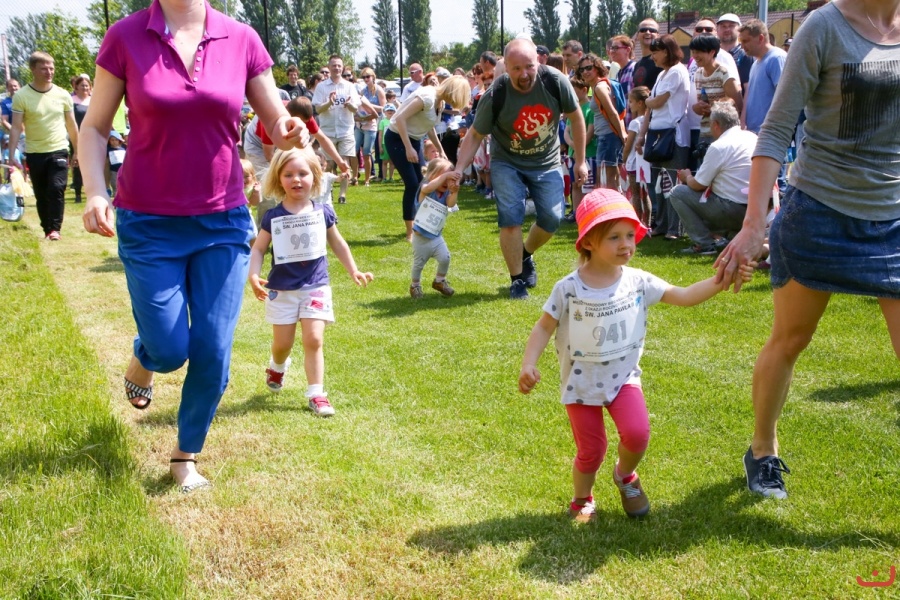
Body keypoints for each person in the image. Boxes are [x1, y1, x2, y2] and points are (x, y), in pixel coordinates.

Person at [80, 0, 311, 493]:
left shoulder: (241, 38)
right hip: (148, 219)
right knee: (168, 349)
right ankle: (146, 356)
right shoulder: (125, 37)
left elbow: (275, 119)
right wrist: (96, 190)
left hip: (222, 220)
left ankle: (185, 454)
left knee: (213, 347)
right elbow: (96, 126)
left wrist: (286, 128)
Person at [716, 0, 900, 500]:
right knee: (791, 339)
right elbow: (777, 128)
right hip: (820, 211)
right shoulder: (825, 26)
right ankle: (762, 449)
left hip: (892, 218)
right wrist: (753, 224)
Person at [518, 188, 754, 521]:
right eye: (614, 237)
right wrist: (529, 363)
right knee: (591, 450)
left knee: (638, 434)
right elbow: (544, 327)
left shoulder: (638, 281)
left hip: (623, 378)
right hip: (581, 384)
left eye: (630, 235)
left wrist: (722, 279)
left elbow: (683, 295)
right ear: (589, 242)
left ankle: (625, 475)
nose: (626, 244)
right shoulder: (568, 288)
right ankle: (582, 499)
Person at [454, 38, 588, 300]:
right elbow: (475, 134)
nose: (524, 74)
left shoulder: (555, 81)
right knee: (510, 218)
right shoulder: (496, 94)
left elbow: (576, 117)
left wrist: (580, 160)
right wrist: (459, 168)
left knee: (552, 218)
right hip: (507, 162)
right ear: (506, 67)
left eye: (529, 66)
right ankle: (517, 280)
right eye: (516, 69)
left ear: (538, 61)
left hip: (546, 161)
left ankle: (525, 253)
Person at [249, 147, 372, 416]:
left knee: (314, 339)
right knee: (282, 344)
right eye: (288, 174)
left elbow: (337, 242)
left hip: (315, 285)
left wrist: (354, 270)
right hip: (281, 289)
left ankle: (317, 394)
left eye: (303, 173)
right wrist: (253, 275)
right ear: (278, 179)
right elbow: (258, 249)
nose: (296, 179)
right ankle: (277, 366)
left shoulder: (322, 212)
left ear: (315, 176)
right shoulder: (273, 216)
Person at [384, 75, 470, 241]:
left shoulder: (439, 102)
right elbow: (400, 118)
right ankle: (410, 231)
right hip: (397, 139)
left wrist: (440, 150)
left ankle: (421, 224)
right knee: (412, 184)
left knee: (423, 183)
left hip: (414, 140)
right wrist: (408, 147)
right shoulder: (427, 97)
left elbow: (429, 127)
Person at [670, 101, 756, 254]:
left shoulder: (719, 146)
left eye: (710, 123)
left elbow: (698, 185)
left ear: (716, 124)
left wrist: (687, 176)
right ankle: (730, 237)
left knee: (677, 193)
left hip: (733, 209)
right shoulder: (752, 137)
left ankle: (704, 244)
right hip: (757, 208)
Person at [9, 52, 79, 240]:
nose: (49, 72)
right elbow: (16, 127)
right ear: (33, 69)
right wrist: (12, 154)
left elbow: (72, 125)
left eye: (51, 68)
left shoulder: (63, 95)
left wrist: (77, 151)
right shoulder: (21, 96)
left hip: (58, 148)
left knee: (57, 188)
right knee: (41, 193)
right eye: (44, 68)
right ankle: (47, 228)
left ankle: (55, 229)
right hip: (34, 151)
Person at [636, 35, 691, 240]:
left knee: (672, 184)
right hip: (656, 134)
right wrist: (642, 135)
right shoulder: (661, 74)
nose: (653, 57)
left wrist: (647, 100)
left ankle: (674, 228)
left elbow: (657, 101)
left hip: (673, 135)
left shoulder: (677, 71)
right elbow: (650, 108)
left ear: (667, 51)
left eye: (656, 52)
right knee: (658, 184)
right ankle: (661, 224)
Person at [312, 55, 377, 204]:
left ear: (342, 68)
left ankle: (342, 195)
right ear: (329, 67)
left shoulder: (349, 86)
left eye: (339, 66)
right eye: (334, 65)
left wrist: (349, 105)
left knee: (345, 162)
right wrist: (329, 103)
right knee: (328, 164)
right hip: (327, 131)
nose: (336, 68)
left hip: (346, 130)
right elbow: (318, 109)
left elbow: (355, 108)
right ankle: (327, 192)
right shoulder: (322, 87)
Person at [409, 157, 459, 298]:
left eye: (449, 178)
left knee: (445, 258)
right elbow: (429, 187)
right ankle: (415, 286)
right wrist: (446, 176)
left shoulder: (446, 193)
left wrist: (454, 192)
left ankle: (439, 281)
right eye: (443, 177)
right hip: (420, 237)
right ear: (431, 176)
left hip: (436, 236)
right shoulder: (425, 188)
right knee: (419, 264)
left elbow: (450, 204)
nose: (446, 182)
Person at [577, 54, 626, 191]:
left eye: (588, 68)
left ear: (597, 67)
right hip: (608, 137)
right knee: (613, 179)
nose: (585, 72)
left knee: (606, 180)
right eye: (582, 69)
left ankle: (614, 204)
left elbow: (612, 112)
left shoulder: (599, 87)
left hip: (608, 137)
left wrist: (622, 135)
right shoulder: (599, 85)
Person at [623, 86, 652, 227]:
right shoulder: (650, 120)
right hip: (646, 163)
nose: (629, 105)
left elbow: (628, 145)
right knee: (646, 194)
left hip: (634, 164)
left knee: (636, 194)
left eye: (631, 101)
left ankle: (638, 222)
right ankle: (648, 222)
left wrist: (623, 158)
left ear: (640, 103)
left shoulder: (635, 123)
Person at [354, 66, 385, 185]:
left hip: (375, 122)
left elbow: (384, 108)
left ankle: (376, 176)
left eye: (368, 76)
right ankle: (356, 177)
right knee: (356, 150)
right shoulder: (363, 91)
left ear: (373, 77)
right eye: (364, 77)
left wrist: (369, 105)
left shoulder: (379, 90)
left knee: (371, 151)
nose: (366, 79)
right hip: (361, 123)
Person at [717, 13, 754, 96]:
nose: (727, 29)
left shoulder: (745, 55)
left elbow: (748, 88)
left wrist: (743, 105)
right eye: (723, 26)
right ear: (717, 30)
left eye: (731, 26)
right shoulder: (713, 54)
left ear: (739, 30)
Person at [71, 75, 92, 203]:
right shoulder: (71, 101)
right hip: (76, 136)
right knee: (77, 165)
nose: (85, 88)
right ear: (76, 87)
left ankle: (91, 192)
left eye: (87, 85)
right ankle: (78, 193)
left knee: (92, 165)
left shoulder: (94, 100)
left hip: (91, 137)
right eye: (82, 85)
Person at [631, 19, 663, 91]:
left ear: (658, 35)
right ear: (637, 35)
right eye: (643, 30)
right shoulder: (637, 65)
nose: (648, 32)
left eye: (652, 30)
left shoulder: (662, 61)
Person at [377, 103, 395, 182]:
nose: (390, 112)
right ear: (384, 112)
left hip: (393, 144)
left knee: (392, 162)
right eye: (388, 110)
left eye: (391, 110)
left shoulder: (395, 121)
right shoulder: (382, 122)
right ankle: (384, 178)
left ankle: (391, 177)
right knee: (384, 162)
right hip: (384, 144)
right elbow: (380, 135)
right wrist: (380, 146)